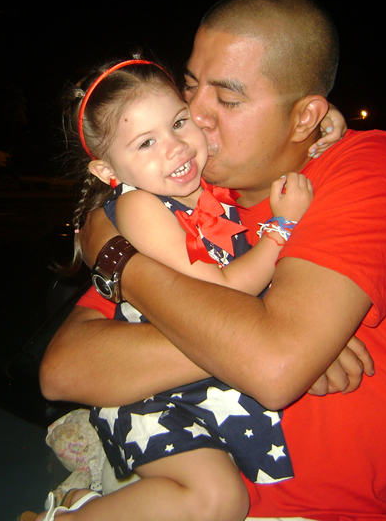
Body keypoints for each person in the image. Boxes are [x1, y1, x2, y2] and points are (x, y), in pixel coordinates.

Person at [41, 0, 386, 520]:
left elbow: (273, 366)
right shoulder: (186, 198)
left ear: (306, 117)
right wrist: (265, 338)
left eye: (228, 100)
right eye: (190, 87)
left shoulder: (366, 169)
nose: (194, 115)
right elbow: (65, 368)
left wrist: (120, 262)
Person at [21, 57, 334, 521]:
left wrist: (323, 125)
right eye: (146, 142)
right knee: (217, 498)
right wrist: (282, 228)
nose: (175, 148)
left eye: (179, 123)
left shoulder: (203, 185)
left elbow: (268, 142)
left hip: (196, 389)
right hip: (152, 396)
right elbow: (226, 289)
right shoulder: (140, 208)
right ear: (108, 172)